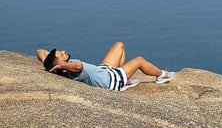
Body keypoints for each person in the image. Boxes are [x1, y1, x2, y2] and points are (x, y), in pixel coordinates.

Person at [36, 41, 176, 92]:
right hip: (110, 81)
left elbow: (40, 51)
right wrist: (62, 66)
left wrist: (50, 64)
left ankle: (125, 80)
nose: (63, 51)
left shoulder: (58, 66)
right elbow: (78, 67)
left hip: (104, 71)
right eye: (61, 54)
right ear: (60, 63)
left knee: (119, 45)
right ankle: (161, 75)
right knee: (139, 60)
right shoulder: (71, 69)